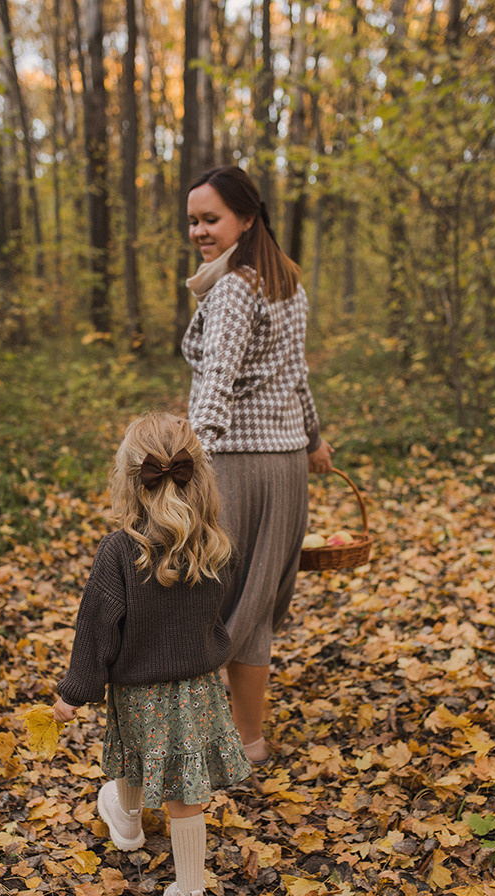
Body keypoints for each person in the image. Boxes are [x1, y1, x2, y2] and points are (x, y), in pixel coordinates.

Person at [53, 412, 251, 896]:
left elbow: (98, 628)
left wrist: (75, 692)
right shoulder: (215, 544)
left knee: (136, 751)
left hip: (139, 692)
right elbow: (214, 611)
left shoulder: (120, 551)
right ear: (199, 476)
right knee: (187, 799)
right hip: (199, 691)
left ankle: (131, 823)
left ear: (128, 478)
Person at [182, 164, 333, 766]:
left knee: (214, 599)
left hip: (238, 465)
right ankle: (248, 740)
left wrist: (191, 460)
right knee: (256, 602)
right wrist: (313, 440)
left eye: (210, 219)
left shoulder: (234, 289)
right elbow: (298, 376)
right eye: (192, 221)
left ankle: (207, 738)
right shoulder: (285, 282)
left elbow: (217, 378)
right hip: (287, 467)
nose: (199, 231)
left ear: (246, 218)